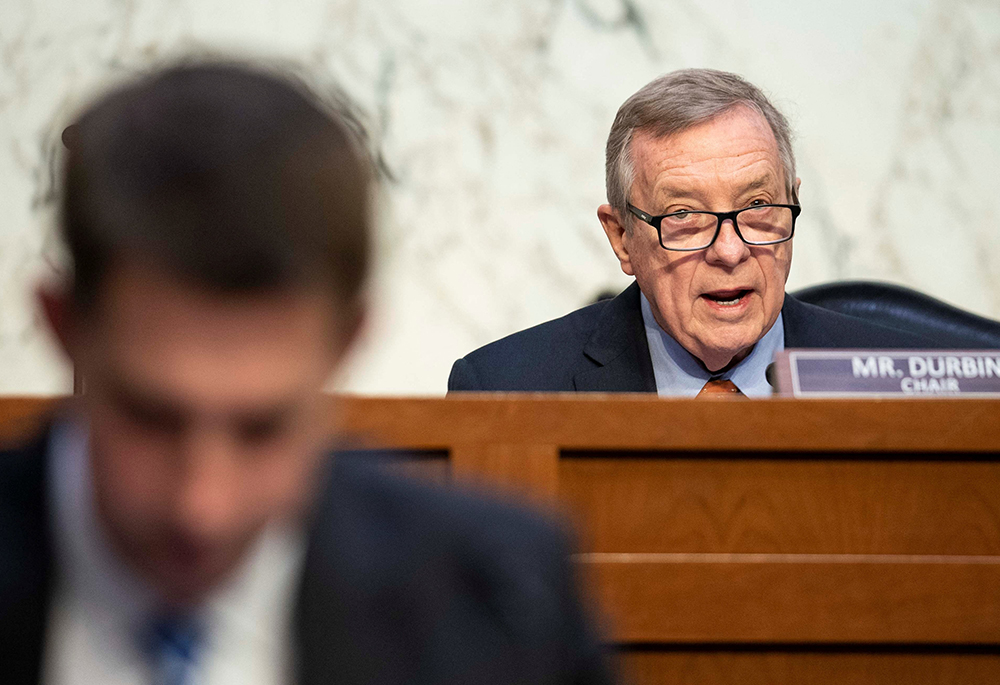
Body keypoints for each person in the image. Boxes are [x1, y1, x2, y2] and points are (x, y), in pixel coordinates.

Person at [0, 61, 611, 685]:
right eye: (151, 420)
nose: (202, 508)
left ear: (348, 343)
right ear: (63, 328)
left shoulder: (501, 603)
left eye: (262, 428)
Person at [449, 69, 931, 396]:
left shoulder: (914, 383)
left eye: (758, 205)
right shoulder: (506, 389)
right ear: (622, 239)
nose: (729, 250)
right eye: (684, 215)